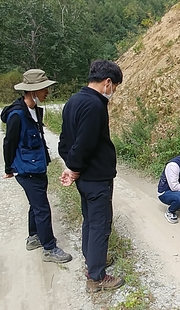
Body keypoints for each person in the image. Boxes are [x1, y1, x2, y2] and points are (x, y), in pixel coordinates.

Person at [58, 60, 124, 292]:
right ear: (107, 82)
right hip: (96, 178)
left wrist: (71, 165)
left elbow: (65, 141)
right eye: (114, 87)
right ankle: (96, 277)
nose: (113, 91)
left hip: (85, 178)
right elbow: (85, 143)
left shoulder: (73, 101)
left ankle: (93, 259)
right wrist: (74, 167)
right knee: (100, 225)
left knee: (90, 220)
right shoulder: (95, 106)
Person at [1, 69, 72, 264]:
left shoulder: (33, 111)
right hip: (26, 170)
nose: (47, 92)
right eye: (44, 89)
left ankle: (34, 237)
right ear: (33, 91)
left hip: (37, 167)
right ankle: (49, 248)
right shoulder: (17, 115)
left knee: (36, 204)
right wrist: (9, 168)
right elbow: (9, 143)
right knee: (42, 208)